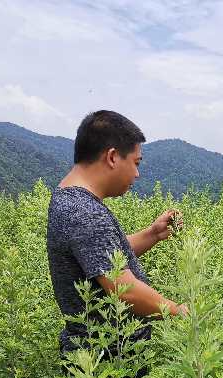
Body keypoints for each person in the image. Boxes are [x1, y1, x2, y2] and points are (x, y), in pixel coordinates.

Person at [47, 110, 187, 357]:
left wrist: (152, 234)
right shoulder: (84, 211)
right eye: (136, 162)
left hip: (98, 355)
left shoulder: (68, 199)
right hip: (107, 365)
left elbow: (101, 258)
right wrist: (178, 311)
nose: (137, 174)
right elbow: (125, 288)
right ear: (112, 157)